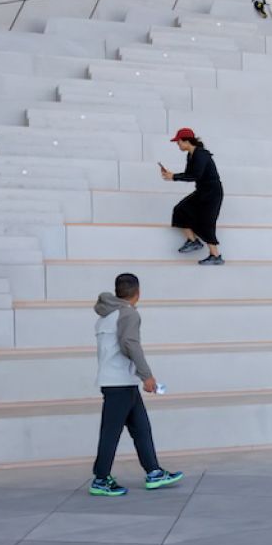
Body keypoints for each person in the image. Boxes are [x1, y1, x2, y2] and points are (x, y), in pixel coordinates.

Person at [90, 272, 183, 496]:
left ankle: (154, 472)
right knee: (111, 432)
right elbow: (130, 344)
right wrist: (147, 375)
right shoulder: (128, 314)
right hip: (120, 383)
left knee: (141, 429)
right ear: (138, 293)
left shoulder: (106, 315)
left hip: (120, 382)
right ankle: (101, 479)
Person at [159, 129, 225, 265]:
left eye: (179, 142)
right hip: (202, 191)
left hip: (212, 193)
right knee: (180, 210)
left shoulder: (201, 155)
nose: (178, 145)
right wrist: (172, 175)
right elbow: (189, 174)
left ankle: (215, 256)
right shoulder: (191, 155)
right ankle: (193, 241)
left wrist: (174, 177)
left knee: (207, 222)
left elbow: (195, 175)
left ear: (186, 141)